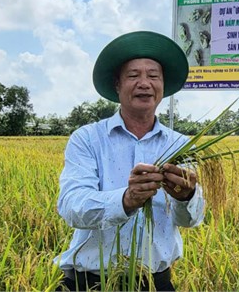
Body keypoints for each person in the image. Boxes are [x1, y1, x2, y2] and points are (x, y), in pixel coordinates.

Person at [54, 31, 205, 291]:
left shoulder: (180, 145)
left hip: (154, 283)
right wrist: (126, 199)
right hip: (90, 283)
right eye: (133, 75)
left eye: (153, 75)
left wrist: (186, 196)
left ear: (162, 85)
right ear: (117, 85)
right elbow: (72, 206)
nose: (144, 83)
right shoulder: (88, 139)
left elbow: (191, 220)